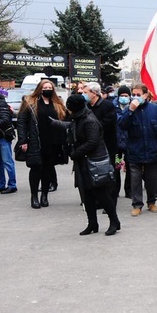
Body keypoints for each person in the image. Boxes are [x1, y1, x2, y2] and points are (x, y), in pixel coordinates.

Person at [64, 94, 120, 235]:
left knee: (101, 194)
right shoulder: (79, 117)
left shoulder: (89, 120)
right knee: (87, 195)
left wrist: (75, 153)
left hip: (94, 162)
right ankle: (92, 224)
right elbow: (71, 128)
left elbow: (92, 142)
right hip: (84, 162)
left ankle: (114, 221)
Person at [117, 83, 157, 217]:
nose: (135, 97)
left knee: (152, 180)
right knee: (135, 180)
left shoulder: (155, 109)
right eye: (133, 94)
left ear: (145, 95)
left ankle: (151, 202)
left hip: (152, 150)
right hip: (135, 150)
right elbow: (122, 126)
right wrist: (130, 111)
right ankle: (137, 204)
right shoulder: (128, 109)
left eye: (138, 95)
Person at [17, 79, 69, 208]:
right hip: (36, 140)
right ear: (40, 89)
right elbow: (22, 122)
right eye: (45, 87)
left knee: (48, 169)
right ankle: (34, 196)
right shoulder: (30, 102)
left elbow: (65, 119)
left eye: (50, 87)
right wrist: (23, 140)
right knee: (36, 168)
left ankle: (44, 195)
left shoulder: (58, 103)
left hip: (53, 141)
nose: (48, 89)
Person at [83, 82, 119, 205]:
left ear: (94, 93)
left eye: (86, 92)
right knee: (95, 173)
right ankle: (98, 199)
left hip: (108, 145)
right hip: (93, 146)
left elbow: (106, 124)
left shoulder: (107, 106)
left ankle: (111, 200)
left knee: (110, 172)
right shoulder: (86, 107)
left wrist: (90, 129)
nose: (84, 95)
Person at [115, 85, 132, 198]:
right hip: (116, 144)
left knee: (130, 167)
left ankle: (129, 190)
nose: (124, 98)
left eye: (126, 96)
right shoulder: (112, 107)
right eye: (121, 96)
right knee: (116, 166)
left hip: (130, 143)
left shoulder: (133, 107)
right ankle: (115, 190)